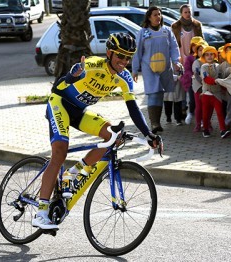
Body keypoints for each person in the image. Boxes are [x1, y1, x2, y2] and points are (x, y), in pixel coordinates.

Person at [31, 33, 163, 230]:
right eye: (120, 56)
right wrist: (71, 76)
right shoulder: (93, 64)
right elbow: (58, 86)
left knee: (113, 135)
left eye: (128, 57)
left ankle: (73, 172)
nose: (124, 61)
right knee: (59, 152)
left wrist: (148, 134)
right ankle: (41, 212)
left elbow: (133, 108)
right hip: (59, 104)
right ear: (109, 53)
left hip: (79, 111)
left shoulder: (124, 77)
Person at [132, 6, 181, 134]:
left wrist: (176, 62)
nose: (158, 17)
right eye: (155, 14)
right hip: (149, 68)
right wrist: (135, 69)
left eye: (159, 14)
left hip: (165, 68)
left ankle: (157, 122)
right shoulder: (143, 32)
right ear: (149, 17)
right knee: (153, 93)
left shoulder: (167, 31)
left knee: (160, 93)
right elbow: (137, 52)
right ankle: (154, 123)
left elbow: (174, 48)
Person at [171, 4, 204, 123]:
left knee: (193, 85)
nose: (188, 14)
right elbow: (173, 44)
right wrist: (177, 59)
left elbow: (202, 42)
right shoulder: (176, 26)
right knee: (182, 87)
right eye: (185, 12)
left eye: (189, 12)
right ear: (181, 13)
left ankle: (192, 110)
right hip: (181, 60)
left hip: (194, 60)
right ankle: (182, 110)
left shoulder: (197, 25)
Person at [200, 46, 231, 138]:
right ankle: (205, 129)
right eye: (207, 55)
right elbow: (206, 78)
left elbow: (222, 78)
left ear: (215, 56)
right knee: (206, 114)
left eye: (211, 54)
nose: (209, 56)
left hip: (217, 94)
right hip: (206, 94)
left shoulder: (219, 66)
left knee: (220, 112)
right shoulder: (203, 67)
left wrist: (225, 87)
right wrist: (215, 81)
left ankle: (223, 130)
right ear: (204, 57)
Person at [180, 36, 206, 125]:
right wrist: (193, 75)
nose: (195, 47)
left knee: (203, 101)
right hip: (192, 82)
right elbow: (187, 69)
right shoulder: (190, 58)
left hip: (204, 82)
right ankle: (190, 113)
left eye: (198, 45)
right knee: (192, 100)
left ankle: (203, 119)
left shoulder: (206, 57)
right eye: (194, 45)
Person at [191, 41, 208, 132]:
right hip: (198, 87)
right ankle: (198, 124)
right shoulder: (196, 62)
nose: (202, 52)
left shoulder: (209, 61)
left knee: (207, 107)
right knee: (199, 106)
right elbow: (196, 74)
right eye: (200, 50)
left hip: (208, 87)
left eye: (203, 50)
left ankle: (207, 124)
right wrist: (203, 83)